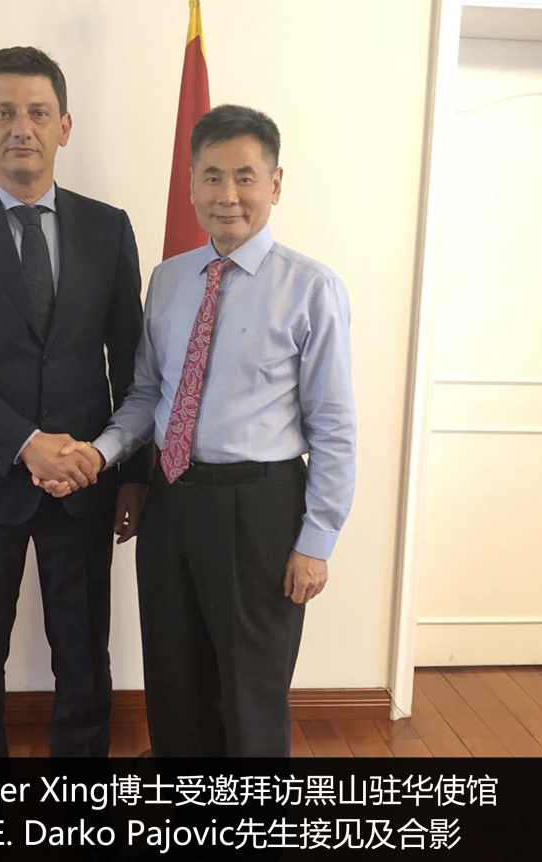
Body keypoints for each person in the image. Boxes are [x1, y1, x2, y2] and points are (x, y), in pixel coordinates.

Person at [40, 105, 356, 757]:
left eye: (245, 177)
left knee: (249, 694)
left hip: (259, 509)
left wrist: (317, 540)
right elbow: (148, 394)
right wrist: (98, 454)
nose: (227, 194)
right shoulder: (170, 280)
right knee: (174, 682)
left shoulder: (311, 289)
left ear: (275, 184)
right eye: (212, 176)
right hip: (171, 502)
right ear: (190, 185)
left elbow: (334, 426)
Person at [0, 47, 151, 758]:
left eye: (39, 112)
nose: (22, 127)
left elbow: (132, 362)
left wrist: (133, 476)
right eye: (4, 112)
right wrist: (26, 444)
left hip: (85, 484)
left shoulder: (109, 228)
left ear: (64, 127)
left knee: (84, 661)